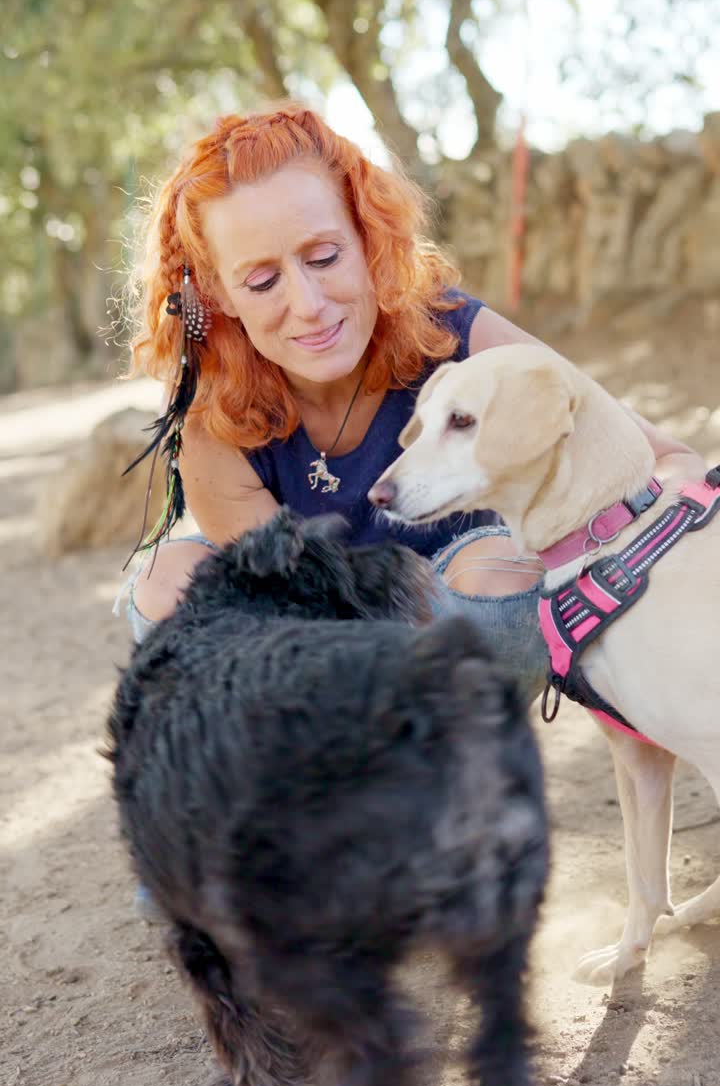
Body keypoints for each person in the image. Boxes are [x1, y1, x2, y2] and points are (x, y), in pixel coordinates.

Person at [121, 101, 703, 686]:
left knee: (502, 572)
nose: (309, 304)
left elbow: (668, 461)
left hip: (461, 625)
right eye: (263, 281)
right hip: (317, 654)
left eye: (325, 257)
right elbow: (307, 610)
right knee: (169, 584)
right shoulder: (208, 414)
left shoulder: (456, 332)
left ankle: (468, 759)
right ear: (218, 294)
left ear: (368, 236)